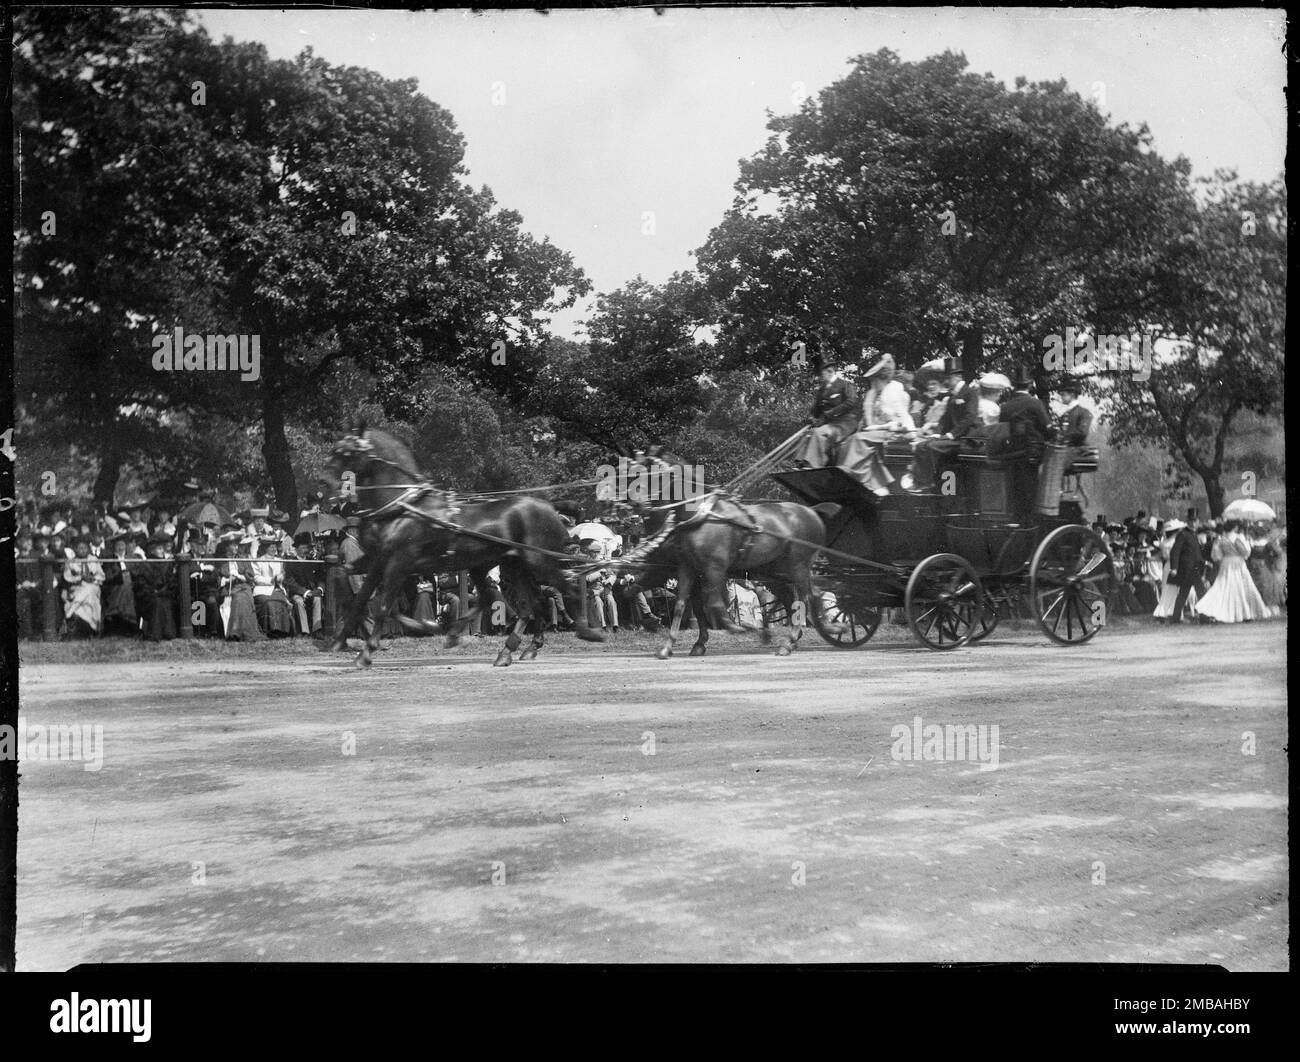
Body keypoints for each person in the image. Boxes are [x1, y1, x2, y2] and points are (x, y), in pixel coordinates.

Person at [838, 351, 912, 496]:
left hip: (897, 432)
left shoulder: (893, 392)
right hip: (881, 432)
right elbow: (869, 418)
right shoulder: (876, 394)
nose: (872, 384)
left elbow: (899, 421)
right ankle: (870, 481)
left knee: (859, 440)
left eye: (874, 381)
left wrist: (875, 427)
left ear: (881, 379)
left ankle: (858, 478)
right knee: (851, 440)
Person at [908, 357, 981, 492]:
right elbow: (946, 420)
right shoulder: (953, 395)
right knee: (921, 445)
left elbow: (970, 417)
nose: (946, 381)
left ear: (958, 377)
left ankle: (927, 482)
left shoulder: (970, 393)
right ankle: (922, 481)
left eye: (948, 377)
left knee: (931, 447)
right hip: (955, 437)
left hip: (967, 438)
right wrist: (938, 434)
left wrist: (951, 434)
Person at [992, 368, 1051, 524]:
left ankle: (1015, 520)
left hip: (1010, 457)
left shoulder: (1004, 408)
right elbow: (1047, 429)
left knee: (1015, 491)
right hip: (1031, 456)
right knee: (1031, 493)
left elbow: (1002, 431)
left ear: (1014, 386)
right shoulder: (1036, 404)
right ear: (1030, 385)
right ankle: (1030, 523)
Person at [791, 356, 860, 468]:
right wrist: (812, 417)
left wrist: (830, 413)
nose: (820, 376)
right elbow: (815, 410)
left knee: (818, 433)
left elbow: (851, 402)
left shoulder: (845, 385)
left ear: (830, 371)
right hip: (829, 424)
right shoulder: (822, 390)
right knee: (808, 433)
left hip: (844, 424)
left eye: (821, 373)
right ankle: (801, 462)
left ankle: (812, 464)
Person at [1196, 520, 1270, 623]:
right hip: (1238, 562)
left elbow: (1216, 555)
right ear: (1235, 527)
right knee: (1243, 587)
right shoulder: (1238, 537)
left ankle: (1221, 612)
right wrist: (1247, 543)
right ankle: (1246, 613)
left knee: (1223, 586)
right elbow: (1245, 552)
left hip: (1226, 563)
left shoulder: (1221, 538)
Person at [133, 531, 178, 641]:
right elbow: (141, 584)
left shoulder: (167, 564)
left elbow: (171, 582)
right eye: (159, 549)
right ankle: (154, 633)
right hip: (149, 596)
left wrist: (163, 591)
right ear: (152, 550)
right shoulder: (145, 565)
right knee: (157, 602)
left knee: (165, 601)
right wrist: (153, 592)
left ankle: (167, 632)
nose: (162, 551)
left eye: (162, 549)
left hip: (164, 594)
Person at [219, 537, 266, 641]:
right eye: (233, 545)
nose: (236, 547)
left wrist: (240, 576)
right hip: (228, 589)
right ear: (227, 547)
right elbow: (217, 578)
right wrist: (227, 579)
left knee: (242, 599)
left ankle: (242, 632)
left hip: (244, 587)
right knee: (238, 599)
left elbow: (250, 576)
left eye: (237, 545)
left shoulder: (243, 558)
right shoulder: (221, 560)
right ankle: (235, 632)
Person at [252, 536, 295, 636]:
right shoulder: (258, 561)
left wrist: (280, 577)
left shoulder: (279, 560)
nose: (274, 549)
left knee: (280, 601)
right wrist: (271, 580)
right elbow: (256, 578)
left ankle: (282, 630)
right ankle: (270, 629)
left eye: (275, 547)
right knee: (269, 602)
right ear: (265, 548)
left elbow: (282, 574)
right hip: (262, 589)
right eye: (271, 547)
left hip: (276, 588)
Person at [1161, 518, 1203, 623]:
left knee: (1201, 592)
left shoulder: (1194, 534)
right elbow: (1175, 551)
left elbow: (1196, 553)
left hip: (1195, 568)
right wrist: (1174, 567)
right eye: (1191, 521)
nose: (1194, 523)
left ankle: (1204, 617)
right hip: (1187, 570)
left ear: (1198, 522)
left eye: (1195, 521)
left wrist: (1203, 562)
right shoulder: (1183, 534)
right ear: (1188, 522)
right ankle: (1176, 618)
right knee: (1184, 594)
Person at [62, 537, 105, 637]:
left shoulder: (94, 560)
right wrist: (80, 578)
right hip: (77, 588)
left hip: (93, 586)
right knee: (89, 597)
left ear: (88, 549)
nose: (82, 550)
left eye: (84, 548)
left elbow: (101, 576)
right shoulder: (71, 562)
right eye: (80, 548)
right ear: (76, 549)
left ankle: (71, 611)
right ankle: (91, 627)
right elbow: (67, 577)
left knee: (90, 589)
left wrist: (92, 579)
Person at [101, 532, 139, 635]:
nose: (120, 548)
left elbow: (138, 574)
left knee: (127, 588)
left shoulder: (133, 558)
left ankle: (124, 619)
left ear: (126, 546)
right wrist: (120, 575)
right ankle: (128, 620)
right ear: (114, 547)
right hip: (114, 587)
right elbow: (107, 577)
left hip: (132, 586)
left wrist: (128, 574)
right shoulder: (110, 560)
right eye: (118, 545)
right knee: (125, 589)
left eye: (122, 545)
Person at [1246, 523, 1284, 616]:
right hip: (1257, 567)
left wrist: (1271, 558)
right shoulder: (1255, 543)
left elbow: (1278, 553)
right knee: (1260, 586)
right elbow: (1278, 552)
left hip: (1262, 567)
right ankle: (1261, 608)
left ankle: (1266, 608)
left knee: (1264, 586)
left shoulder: (1266, 543)